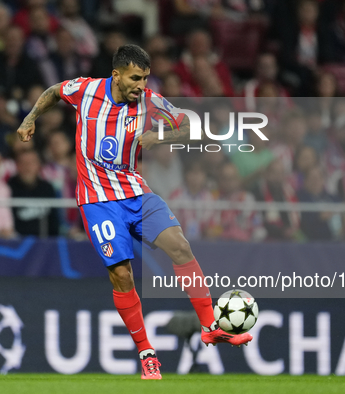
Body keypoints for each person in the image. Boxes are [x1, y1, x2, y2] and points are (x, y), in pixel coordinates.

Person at [16, 44, 253, 380]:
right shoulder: (86, 90)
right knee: (122, 274)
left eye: (145, 78)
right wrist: (30, 119)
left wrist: (162, 136)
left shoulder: (150, 101)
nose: (141, 85)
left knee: (180, 246)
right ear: (116, 74)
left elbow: (190, 125)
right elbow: (54, 91)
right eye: (136, 78)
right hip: (98, 200)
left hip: (135, 192)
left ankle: (210, 326)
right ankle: (146, 355)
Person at [8, 149, 60, 236]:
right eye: (23, 163)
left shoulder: (47, 188)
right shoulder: (8, 188)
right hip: (16, 244)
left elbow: (54, 221)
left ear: (38, 165)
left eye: (32, 163)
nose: (28, 167)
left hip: (45, 243)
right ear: (17, 165)